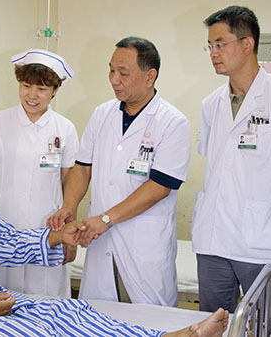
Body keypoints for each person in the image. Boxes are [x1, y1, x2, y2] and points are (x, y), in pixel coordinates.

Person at [0, 116, 228, 337]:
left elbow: (6, 242)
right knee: (34, 331)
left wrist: (56, 236)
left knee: (69, 313)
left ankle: (166, 336)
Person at [191, 5, 271, 337]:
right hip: (213, 239)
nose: (213, 53)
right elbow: (220, 169)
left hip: (264, 240)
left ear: (248, 44)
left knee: (267, 329)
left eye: (220, 44)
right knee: (212, 327)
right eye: (210, 46)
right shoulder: (211, 104)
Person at [47, 37, 191, 307]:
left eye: (123, 73)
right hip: (101, 241)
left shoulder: (172, 122)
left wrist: (106, 219)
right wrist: (69, 206)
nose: (114, 79)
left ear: (150, 76)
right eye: (111, 70)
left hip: (143, 244)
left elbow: (159, 187)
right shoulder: (102, 114)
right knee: (98, 318)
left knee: (148, 321)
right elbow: (82, 167)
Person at [0, 49, 79, 298]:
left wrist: (70, 231)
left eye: (41, 89)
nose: (32, 95)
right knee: (1, 301)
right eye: (26, 86)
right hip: (2, 228)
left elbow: (70, 183)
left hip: (48, 229)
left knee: (46, 302)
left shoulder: (65, 128)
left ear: (55, 90)